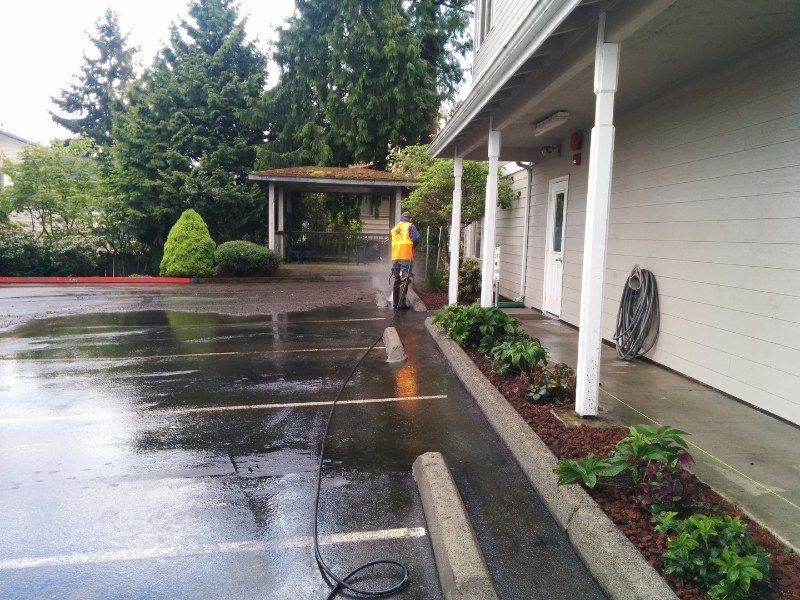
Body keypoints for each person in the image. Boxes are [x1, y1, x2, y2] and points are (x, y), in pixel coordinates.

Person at [390, 212, 420, 309]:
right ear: (409, 218)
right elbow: (416, 238)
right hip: (406, 256)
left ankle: (395, 303)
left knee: (397, 279)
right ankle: (401, 304)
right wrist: (412, 247)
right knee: (404, 280)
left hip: (395, 257)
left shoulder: (395, 229)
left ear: (401, 219)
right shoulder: (410, 226)